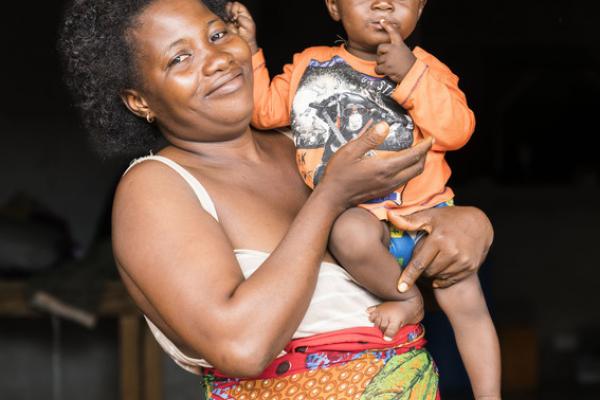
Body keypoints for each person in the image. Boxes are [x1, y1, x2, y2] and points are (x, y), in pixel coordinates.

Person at [59, 0, 494, 398]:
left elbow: (408, 221)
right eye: (180, 58)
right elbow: (243, 348)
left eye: (216, 35)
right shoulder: (156, 188)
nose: (217, 60)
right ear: (139, 100)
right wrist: (328, 198)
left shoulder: (309, 146)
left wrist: (471, 224)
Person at [227, 0, 501, 398]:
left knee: (470, 311)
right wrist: (250, 49)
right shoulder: (311, 66)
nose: (383, 4)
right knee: (346, 232)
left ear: (420, 10)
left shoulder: (427, 68)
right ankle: (406, 300)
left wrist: (411, 74)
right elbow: (263, 112)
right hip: (362, 222)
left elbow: (456, 131)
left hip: (429, 220)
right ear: (334, 7)